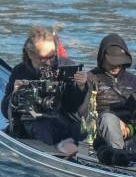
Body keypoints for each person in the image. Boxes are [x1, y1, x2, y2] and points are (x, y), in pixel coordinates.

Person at [1, 25, 85, 156]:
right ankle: (63, 142)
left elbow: (72, 106)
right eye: (43, 58)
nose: (48, 62)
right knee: (39, 125)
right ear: (30, 54)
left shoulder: (66, 67)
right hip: (31, 121)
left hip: (62, 117)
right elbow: (6, 112)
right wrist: (15, 94)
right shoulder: (20, 71)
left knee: (79, 127)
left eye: (51, 56)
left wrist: (80, 88)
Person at [77, 34, 136, 165]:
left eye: (119, 62)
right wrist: (82, 87)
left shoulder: (134, 81)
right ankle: (120, 160)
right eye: (111, 62)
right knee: (108, 119)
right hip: (105, 133)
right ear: (102, 59)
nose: (116, 66)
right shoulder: (90, 78)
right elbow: (83, 114)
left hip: (132, 132)